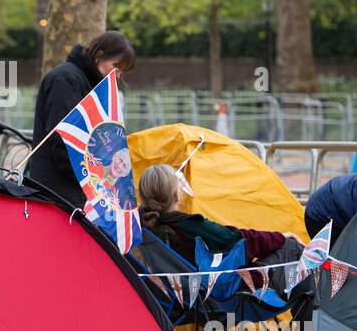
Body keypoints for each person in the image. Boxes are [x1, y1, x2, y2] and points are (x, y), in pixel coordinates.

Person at [25, 31, 135, 207]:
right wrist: (93, 184)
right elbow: (63, 143)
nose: (118, 76)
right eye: (116, 67)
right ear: (99, 56)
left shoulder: (88, 85)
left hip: (70, 190)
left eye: (122, 71)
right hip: (56, 191)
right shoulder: (65, 79)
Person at [137, 164, 301, 267]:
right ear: (176, 196)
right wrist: (282, 236)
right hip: (216, 296)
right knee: (292, 248)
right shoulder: (189, 226)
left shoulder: (139, 227)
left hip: (173, 298)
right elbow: (237, 239)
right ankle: (311, 318)